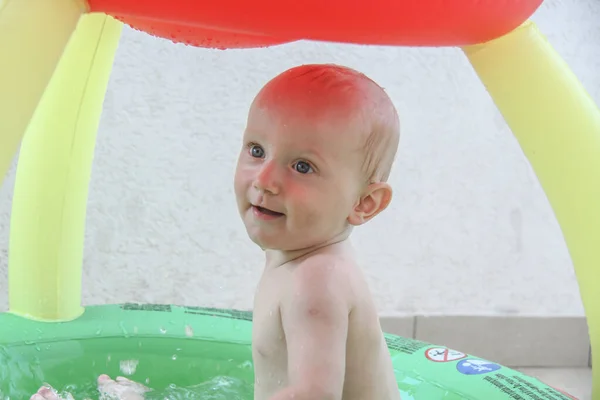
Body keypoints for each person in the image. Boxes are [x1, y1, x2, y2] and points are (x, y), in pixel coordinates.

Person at [30, 63, 402, 400]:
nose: (265, 179)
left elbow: (314, 395)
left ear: (363, 203)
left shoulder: (317, 281)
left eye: (302, 166)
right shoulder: (300, 257)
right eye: (257, 150)